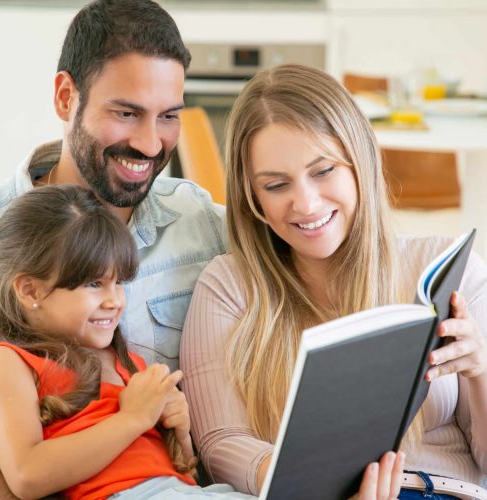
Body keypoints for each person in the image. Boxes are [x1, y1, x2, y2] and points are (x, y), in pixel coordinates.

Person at [180, 64, 487, 498]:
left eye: (323, 171)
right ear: (252, 196)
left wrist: (479, 371)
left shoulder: (450, 270)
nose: (305, 203)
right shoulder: (229, 286)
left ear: (359, 162)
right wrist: (312, 482)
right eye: (276, 184)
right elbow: (220, 442)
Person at [0, 0, 226, 496]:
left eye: (168, 117)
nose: (151, 144)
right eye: (126, 113)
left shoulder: (197, 216)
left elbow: (309, 253)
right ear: (65, 97)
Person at [0, 184, 258, 500]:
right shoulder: (7, 361)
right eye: (94, 284)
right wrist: (132, 419)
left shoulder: (129, 363)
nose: (114, 300)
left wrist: (179, 430)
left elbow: (182, 474)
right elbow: (26, 476)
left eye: (118, 283)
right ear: (30, 291)